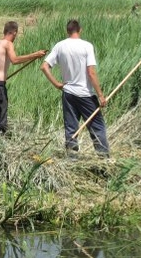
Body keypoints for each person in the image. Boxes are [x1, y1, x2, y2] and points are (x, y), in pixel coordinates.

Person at [40, 19, 110, 158]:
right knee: (97, 127)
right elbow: (91, 72)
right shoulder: (87, 46)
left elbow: (44, 66)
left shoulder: (60, 46)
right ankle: (104, 159)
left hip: (68, 93)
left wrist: (57, 84)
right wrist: (100, 95)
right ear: (80, 30)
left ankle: (72, 158)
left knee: (71, 128)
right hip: (85, 94)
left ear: (67, 31)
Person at [0, 21, 47, 134]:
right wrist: (35, 55)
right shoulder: (8, 44)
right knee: (0, 119)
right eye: (16, 34)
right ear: (14, 32)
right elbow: (14, 60)